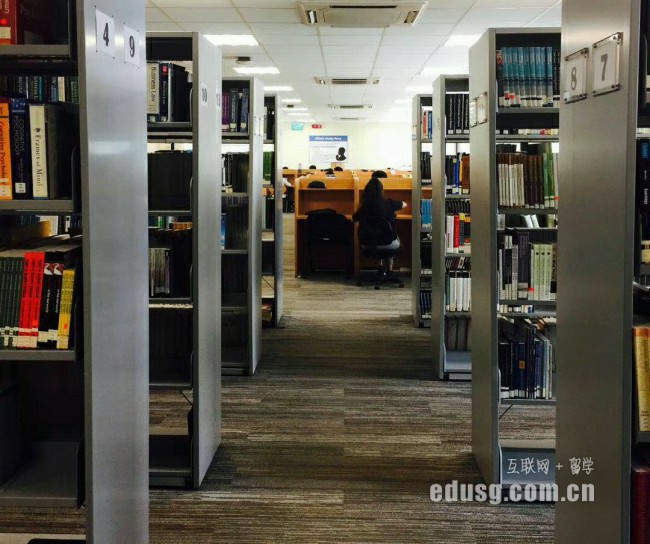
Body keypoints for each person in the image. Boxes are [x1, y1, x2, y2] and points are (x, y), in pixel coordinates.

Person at [352, 173, 407, 273]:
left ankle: (380, 268)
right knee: (390, 236)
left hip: (367, 243)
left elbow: (354, 218)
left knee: (377, 236)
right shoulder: (389, 203)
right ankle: (390, 270)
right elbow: (404, 204)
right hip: (388, 243)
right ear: (382, 191)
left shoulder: (364, 208)